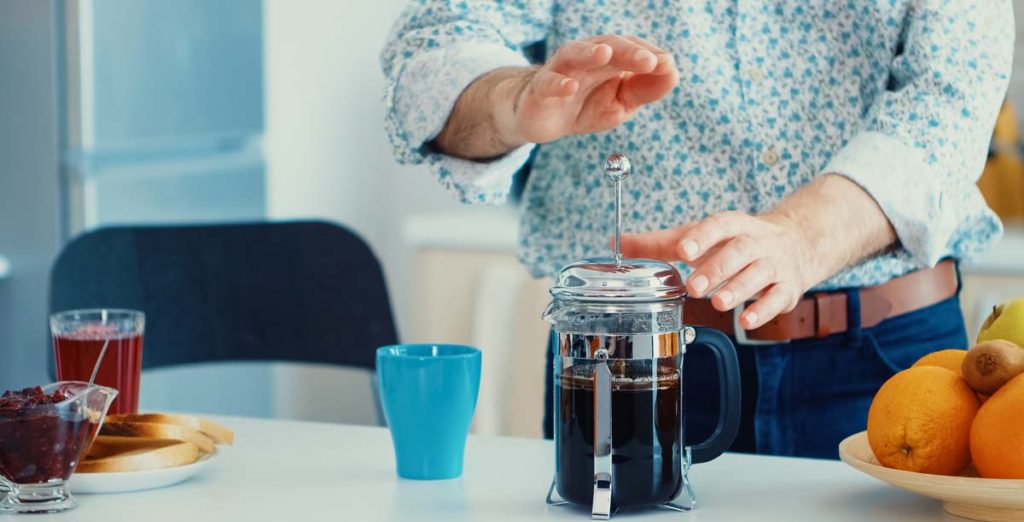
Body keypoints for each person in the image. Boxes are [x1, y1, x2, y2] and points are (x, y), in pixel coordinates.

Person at [380, 1, 1015, 458]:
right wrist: (515, 98)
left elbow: (950, 94)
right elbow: (434, 41)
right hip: (628, 361)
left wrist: (801, 237)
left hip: (895, 366)